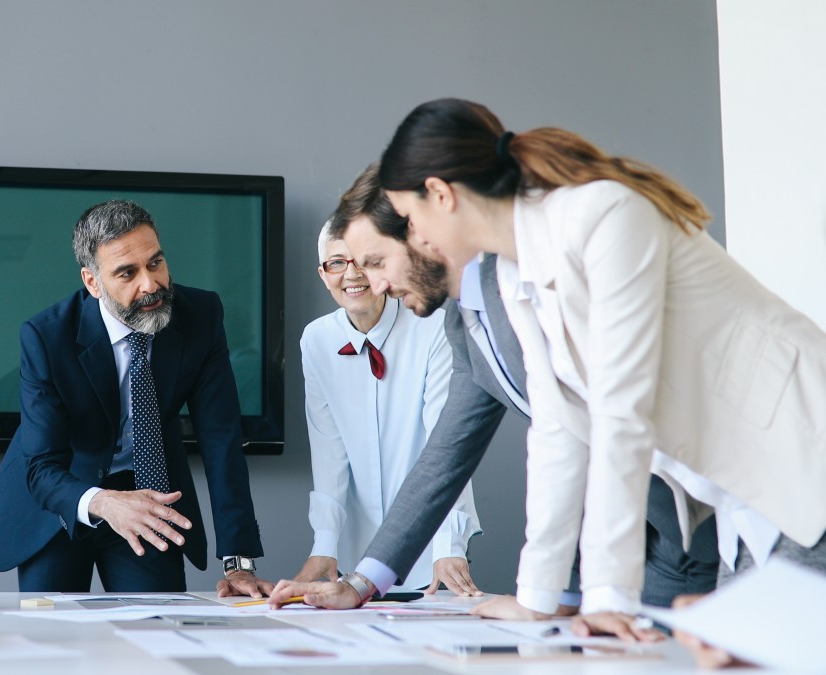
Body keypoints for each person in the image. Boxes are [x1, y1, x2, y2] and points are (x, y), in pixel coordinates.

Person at [375, 96, 826, 641]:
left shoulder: (604, 214)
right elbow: (558, 432)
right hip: (746, 492)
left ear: (441, 194)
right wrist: (537, 597)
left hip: (801, 453)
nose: (413, 236)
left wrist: (609, 595)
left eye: (408, 216)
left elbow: (620, 408)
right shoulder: (519, 278)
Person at [268, 163, 717, 615]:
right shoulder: (465, 321)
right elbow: (445, 456)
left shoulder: (539, 279)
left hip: (719, 510)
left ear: (421, 235)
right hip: (655, 535)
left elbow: (573, 438)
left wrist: (548, 597)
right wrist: (363, 582)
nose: (374, 284)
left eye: (377, 262)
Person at [0, 199, 268, 595]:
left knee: (156, 627)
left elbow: (222, 440)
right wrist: (105, 503)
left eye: (155, 263)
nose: (150, 284)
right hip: (61, 501)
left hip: (147, 495)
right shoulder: (47, 337)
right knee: (54, 639)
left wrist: (238, 561)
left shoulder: (200, 315)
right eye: (127, 273)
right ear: (93, 282)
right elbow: (42, 465)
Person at [297, 206, 482, 593]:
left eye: (364, 261)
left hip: (432, 551)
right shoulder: (316, 340)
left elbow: (447, 444)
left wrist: (449, 544)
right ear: (322, 274)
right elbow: (328, 452)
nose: (351, 274)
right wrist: (324, 544)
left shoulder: (430, 326)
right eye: (336, 263)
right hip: (355, 556)